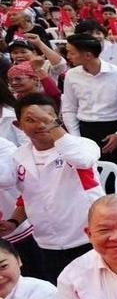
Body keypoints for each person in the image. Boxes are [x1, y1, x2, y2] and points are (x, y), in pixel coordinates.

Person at [0, 95, 103, 283]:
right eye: (31, 120)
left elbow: (82, 159)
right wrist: (14, 221)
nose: (41, 125)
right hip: (47, 243)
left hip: (87, 238)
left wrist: (51, 124)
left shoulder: (82, 145)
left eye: (46, 117)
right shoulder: (19, 156)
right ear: (18, 125)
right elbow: (28, 196)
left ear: (57, 119)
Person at [61, 34, 117, 167]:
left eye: (72, 53)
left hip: (115, 129)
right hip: (85, 130)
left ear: (88, 55)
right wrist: (77, 139)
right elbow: (69, 108)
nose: (68, 56)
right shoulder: (71, 75)